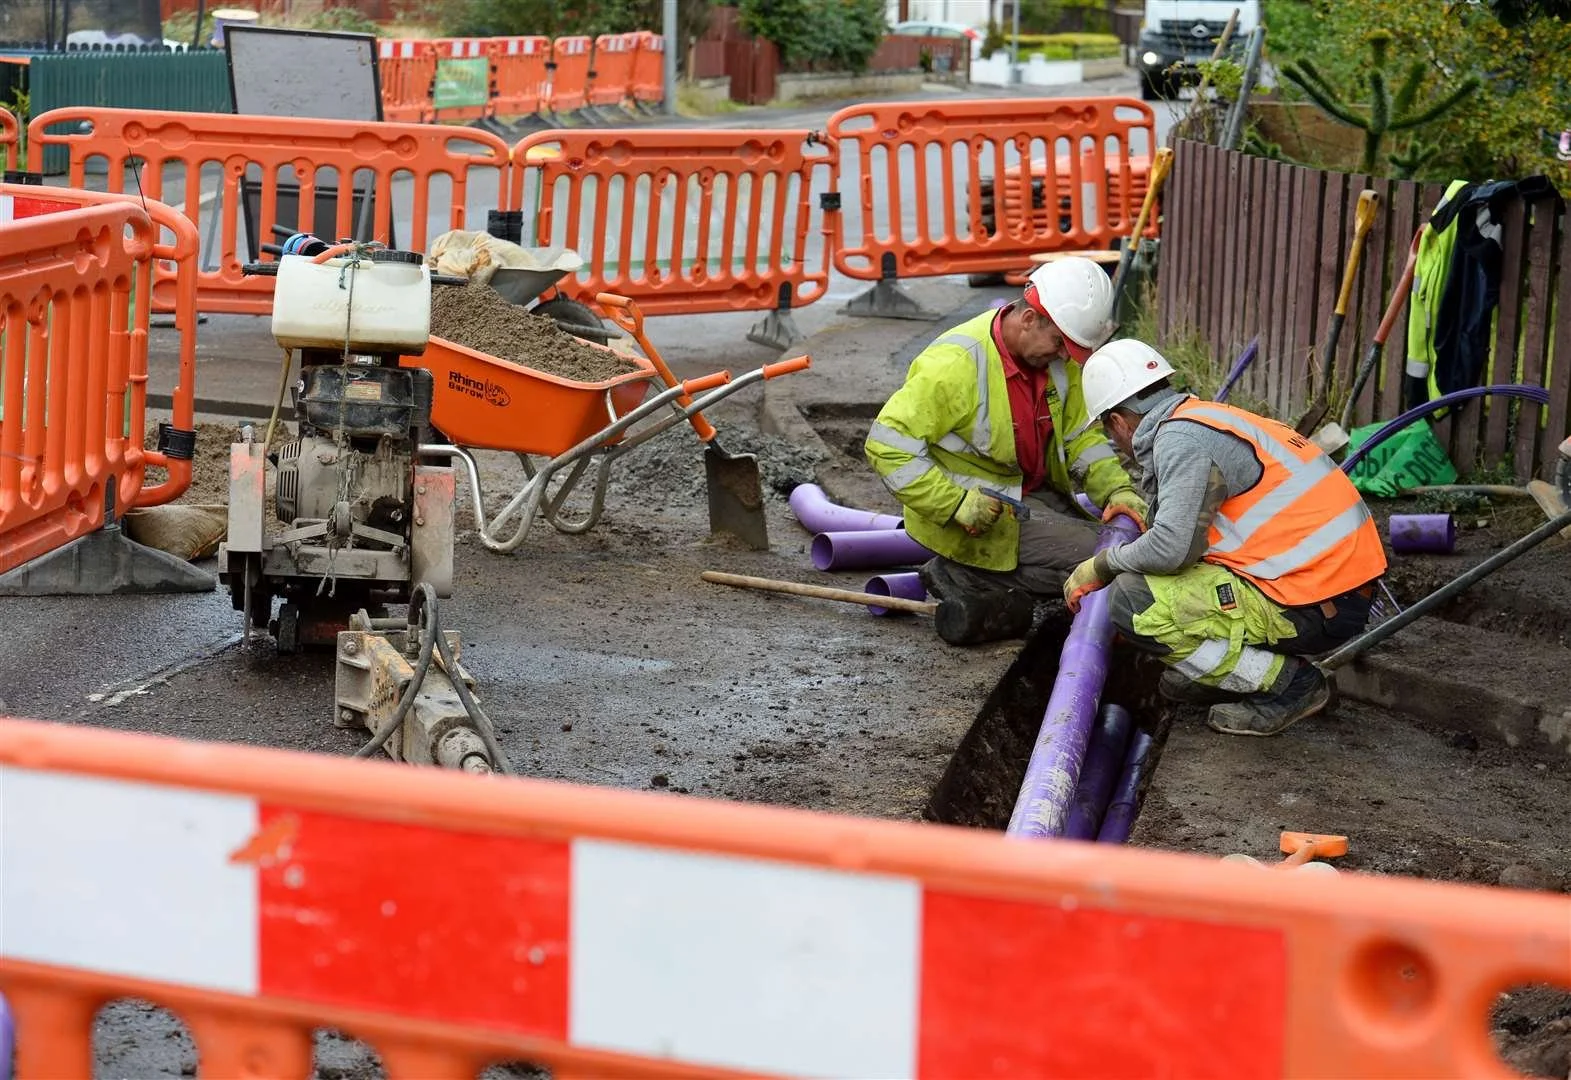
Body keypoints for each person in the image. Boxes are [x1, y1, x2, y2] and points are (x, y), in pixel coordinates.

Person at [1066, 339, 1388, 736]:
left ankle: (1291, 685)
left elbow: (1172, 549)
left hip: (1315, 600)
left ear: (1118, 421)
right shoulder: (1204, 418)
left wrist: (1103, 565)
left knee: (1136, 601)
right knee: (1162, 586)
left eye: (1109, 432)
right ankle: (1226, 670)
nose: (1116, 444)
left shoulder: (1180, 441)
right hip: (1331, 586)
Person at [864, 258, 1148, 645]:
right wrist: (954, 504)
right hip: (969, 516)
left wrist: (1116, 490)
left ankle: (978, 575)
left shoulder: (1056, 363)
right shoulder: (955, 365)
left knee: (1109, 551)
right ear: (1030, 319)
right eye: (1061, 344)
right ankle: (965, 573)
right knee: (1105, 554)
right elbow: (885, 444)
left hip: (1026, 496)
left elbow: (1079, 438)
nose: (1065, 356)